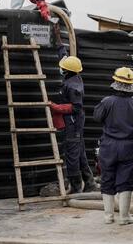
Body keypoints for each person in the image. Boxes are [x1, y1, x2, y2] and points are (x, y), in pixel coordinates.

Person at [49, 25, 96, 194]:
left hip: (73, 124)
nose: (60, 67)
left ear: (67, 70)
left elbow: (76, 107)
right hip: (74, 124)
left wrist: (55, 107)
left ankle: (76, 187)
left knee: (72, 154)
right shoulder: (71, 74)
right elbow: (64, 57)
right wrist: (58, 39)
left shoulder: (73, 85)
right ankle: (90, 183)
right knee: (80, 152)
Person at [93, 67, 133, 225]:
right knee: (125, 180)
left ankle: (108, 216)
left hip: (108, 145)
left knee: (107, 178)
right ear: (130, 85)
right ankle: (124, 217)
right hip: (128, 146)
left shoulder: (106, 102)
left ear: (115, 82)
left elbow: (97, 117)